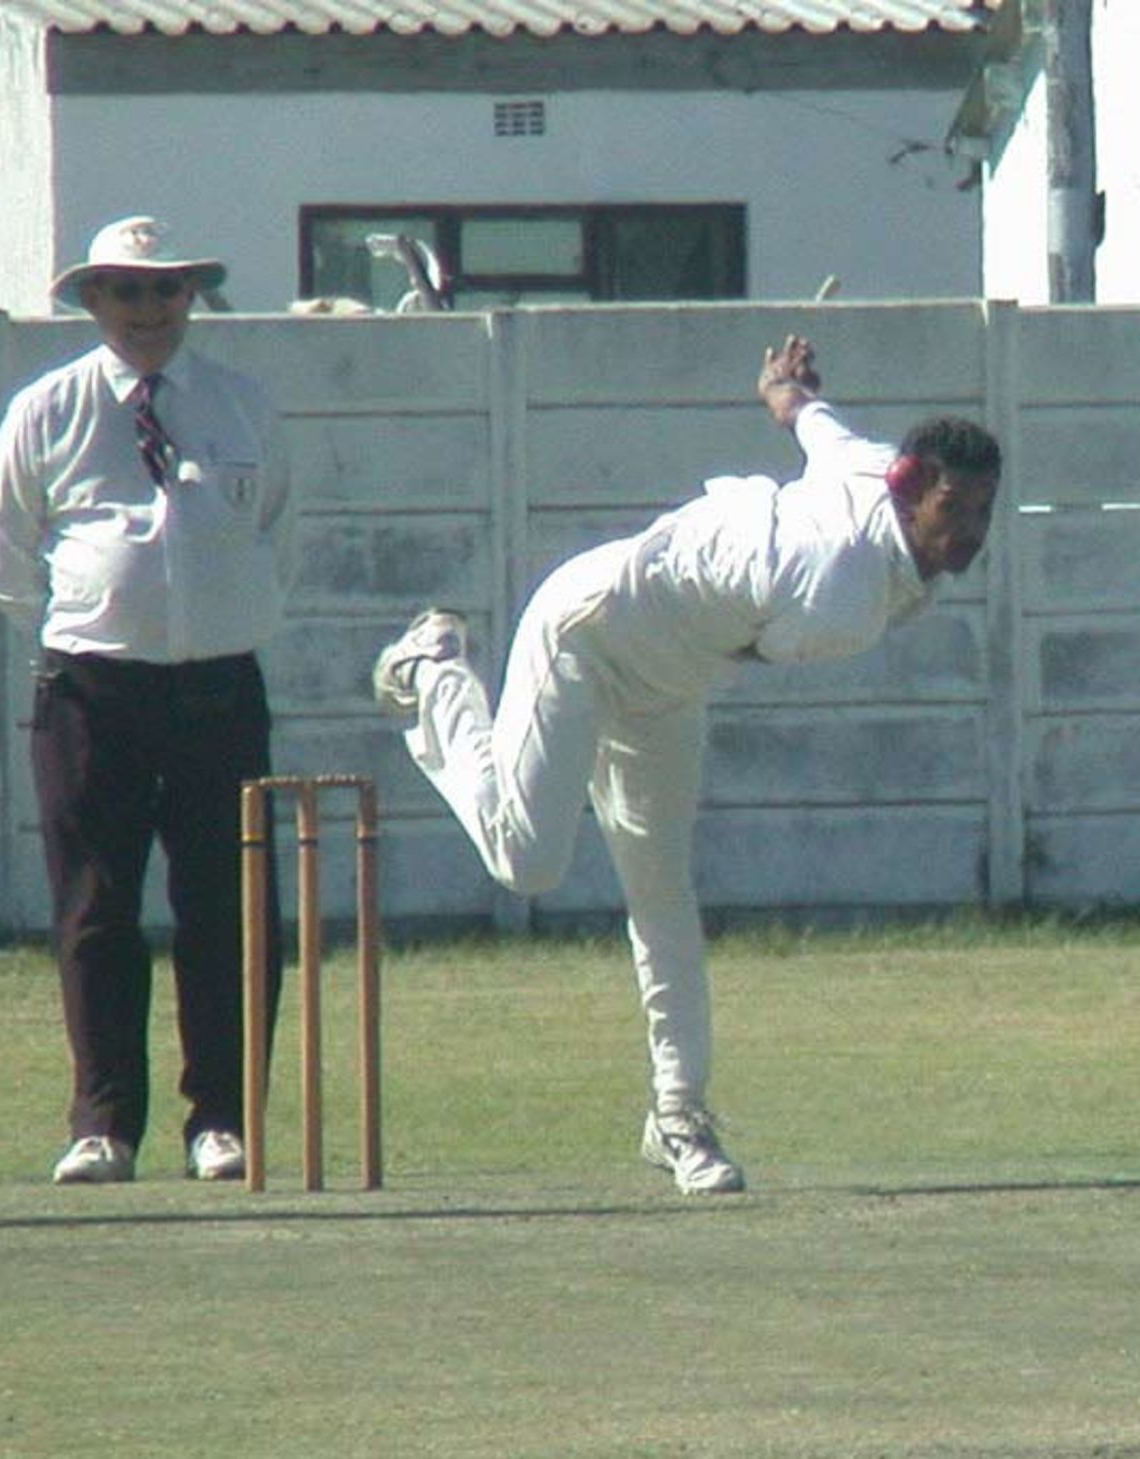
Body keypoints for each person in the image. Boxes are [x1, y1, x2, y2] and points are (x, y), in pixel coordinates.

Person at [372, 334, 1001, 1196]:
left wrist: (788, 392)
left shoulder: (868, 470)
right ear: (907, 487)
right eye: (953, 511)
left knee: (663, 894)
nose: (968, 534)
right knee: (527, 861)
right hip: (588, 632)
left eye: (980, 514)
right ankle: (433, 671)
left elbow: (815, 426)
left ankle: (678, 1117)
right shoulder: (845, 596)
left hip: (667, 681)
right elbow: (772, 643)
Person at [0, 216, 294, 1184]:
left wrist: (204, 621)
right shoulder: (48, 408)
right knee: (96, 907)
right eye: (124, 292)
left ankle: (222, 1120)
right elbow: (4, 560)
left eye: (164, 291)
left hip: (217, 686)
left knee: (227, 906)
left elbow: (273, 531)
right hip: (91, 686)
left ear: (190, 297)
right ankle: (103, 1123)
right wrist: (98, 620)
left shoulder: (241, 405)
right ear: (90, 302)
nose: (147, 310)